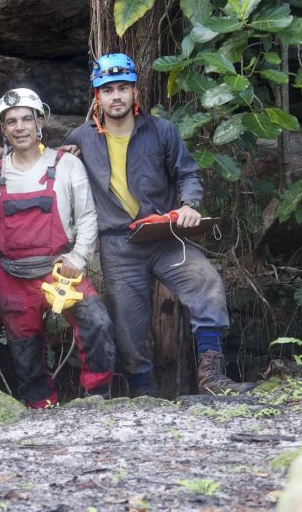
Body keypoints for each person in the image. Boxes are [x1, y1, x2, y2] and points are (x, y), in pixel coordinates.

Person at [63, 53, 254, 396]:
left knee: (206, 281)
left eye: (123, 88)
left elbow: (188, 174)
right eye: (108, 90)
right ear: (97, 96)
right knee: (127, 326)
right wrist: (2, 155)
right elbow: (43, 161)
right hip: (118, 245)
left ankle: (212, 377)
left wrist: (189, 205)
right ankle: (143, 396)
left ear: (135, 92)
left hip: (166, 237)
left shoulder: (161, 131)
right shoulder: (80, 138)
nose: (116, 96)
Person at [0, 88, 115, 407]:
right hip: (12, 277)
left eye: (27, 119)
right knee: (24, 350)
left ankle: (97, 397)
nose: (20, 127)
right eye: (12, 122)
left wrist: (78, 258)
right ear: (3, 128)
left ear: (40, 122)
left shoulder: (66, 164)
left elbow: (88, 215)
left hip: (60, 271)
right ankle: (40, 407)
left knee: (97, 323)